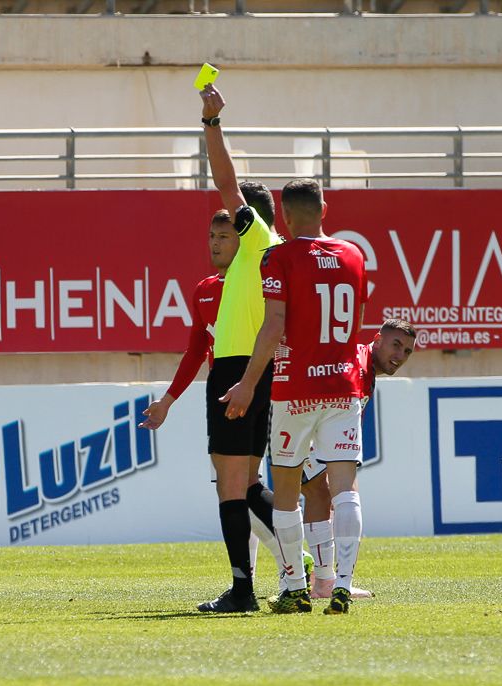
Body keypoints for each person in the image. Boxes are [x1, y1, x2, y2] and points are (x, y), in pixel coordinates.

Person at [141, 83, 284, 614]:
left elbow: (225, 181)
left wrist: (211, 123)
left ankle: (243, 588)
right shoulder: (264, 259)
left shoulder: (258, 240)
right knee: (248, 483)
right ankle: (311, 567)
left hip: (236, 371)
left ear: (253, 222)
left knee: (230, 487)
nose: (226, 225)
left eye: (233, 221)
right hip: (255, 370)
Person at [222, 177, 369, 615]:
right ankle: (342, 583)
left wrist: (248, 381)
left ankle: (294, 587)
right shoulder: (354, 256)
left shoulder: (279, 256)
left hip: (295, 389)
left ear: (284, 215)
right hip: (342, 386)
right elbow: (356, 322)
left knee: (287, 487)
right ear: (325, 207)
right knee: (344, 488)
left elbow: (274, 326)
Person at [302, 318, 416, 600]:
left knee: (317, 494)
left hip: (299, 416)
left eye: (407, 352)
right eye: (396, 345)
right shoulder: (358, 365)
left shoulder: (362, 363)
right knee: (344, 492)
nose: (400, 356)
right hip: (304, 415)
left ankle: (323, 582)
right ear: (377, 339)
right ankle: (338, 582)